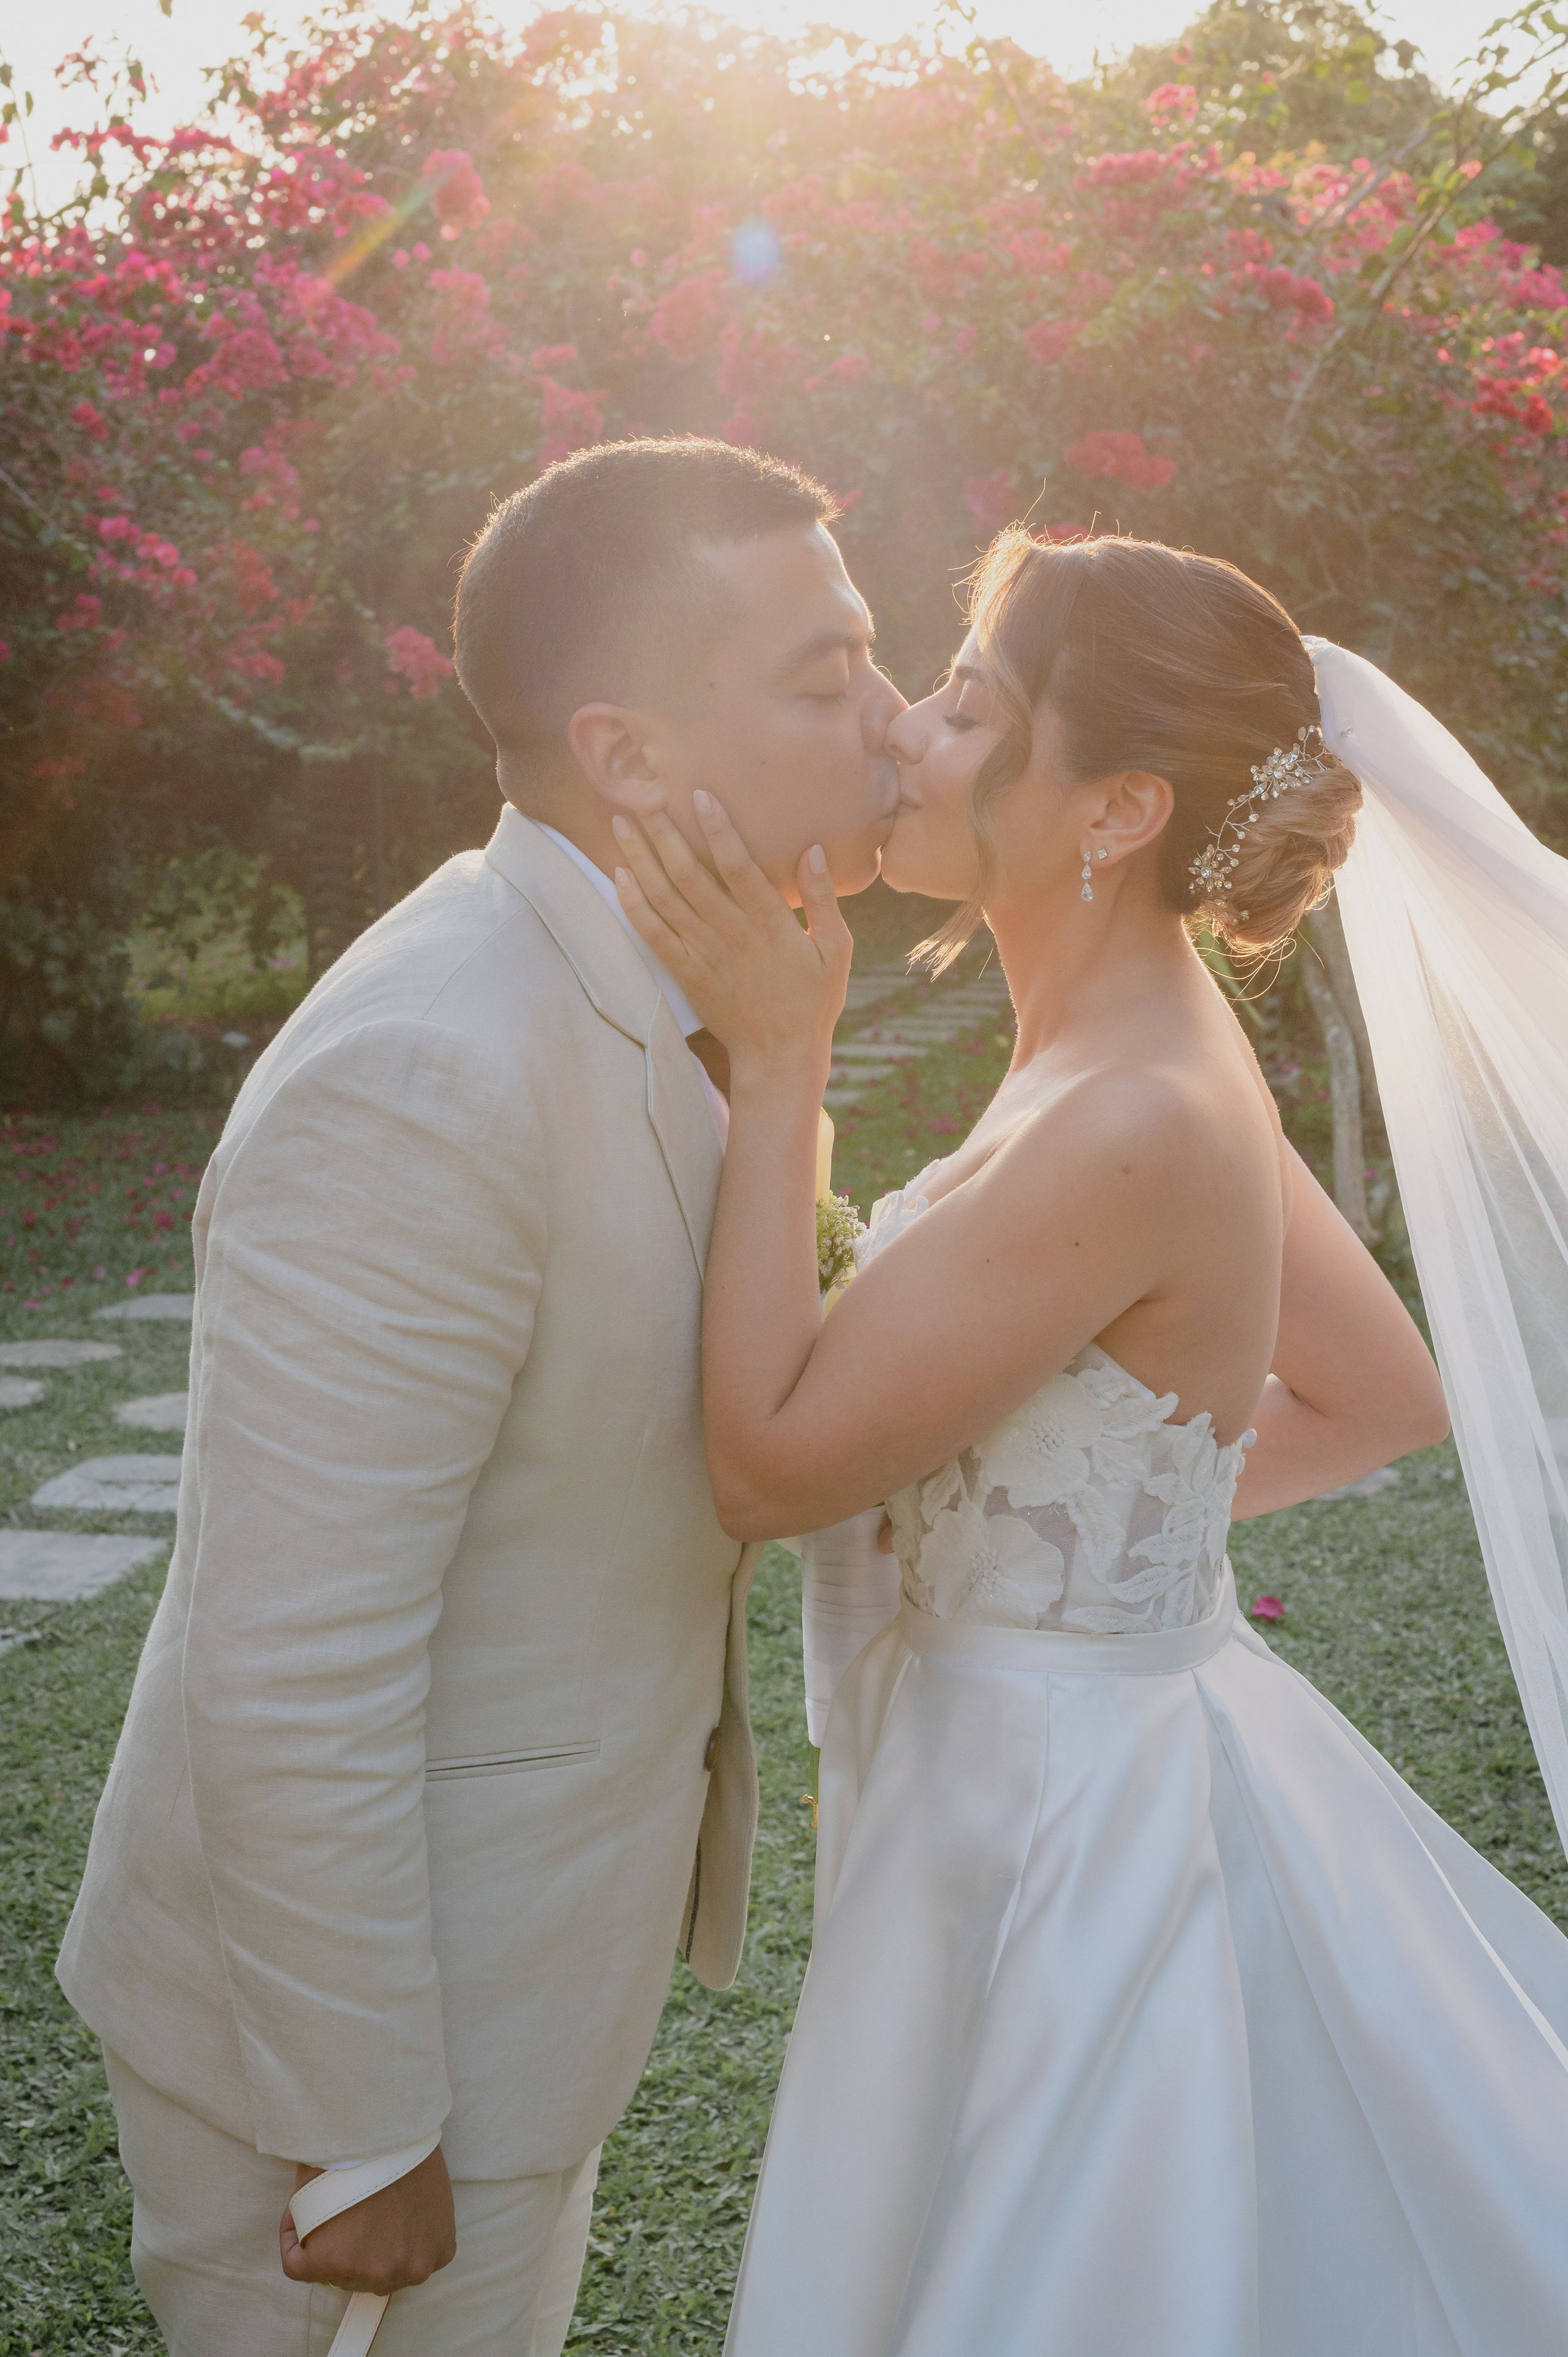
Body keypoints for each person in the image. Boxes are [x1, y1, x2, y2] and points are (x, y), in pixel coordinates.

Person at [612, 529, 1568, 2355]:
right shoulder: (1150, 1044)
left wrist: (782, 1063)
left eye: (968, 703)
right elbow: (1386, 1390)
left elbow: (770, 1464)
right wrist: (1078, 1545)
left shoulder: (1127, 1111)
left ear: (1118, 809)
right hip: (1101, 1729)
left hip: (1048, 1824)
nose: (902, 728)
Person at [56, 436, 902, 2356]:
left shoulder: (675, 986)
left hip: (521, 1971)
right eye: (824, 672)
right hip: (339, 2054)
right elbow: (291, 1655)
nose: (891, 714)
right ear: (626, 754)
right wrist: (360, 2129)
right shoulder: (430, 1069)